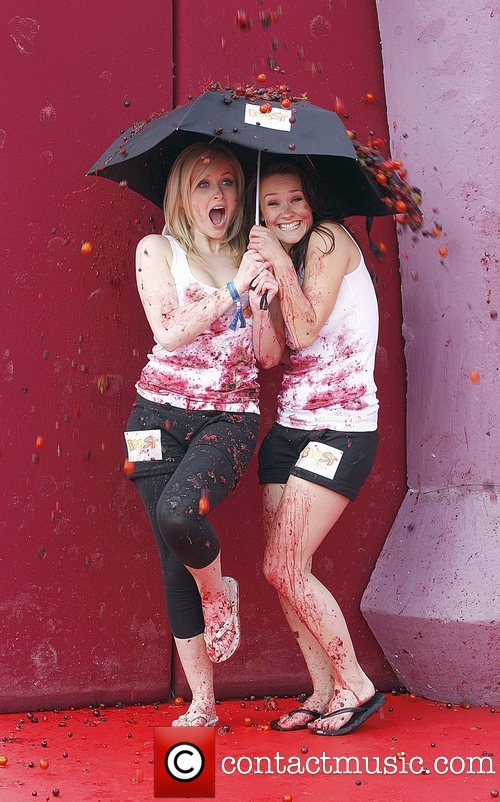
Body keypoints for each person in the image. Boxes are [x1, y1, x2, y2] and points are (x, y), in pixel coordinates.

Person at [124, 142, 281, 727]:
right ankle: (204, 705)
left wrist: (266, 301)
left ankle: (217, 594)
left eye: (228, 183)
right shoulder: (156, 250)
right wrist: (232, 292)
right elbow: (168, 331)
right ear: (181, 196)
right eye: (204, 184)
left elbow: (268, 357)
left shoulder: (253, 259)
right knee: (172, 561)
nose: (219, 196)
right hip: (152, 419)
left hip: (228, 417)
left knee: (179, 515)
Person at [248, 160, 386, 735]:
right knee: (284, 572)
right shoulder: (290, 259)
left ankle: (356, 684)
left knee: (283, 564)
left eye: (295, 198)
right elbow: (273, 355)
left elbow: (307, 331)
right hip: (288, 433)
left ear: (313, 201)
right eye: (272, 203)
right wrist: (260, 295)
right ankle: (324, 690)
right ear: (259, 213)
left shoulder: (328, 239)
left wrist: (279, 263)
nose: (287, 213)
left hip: (339, 430)